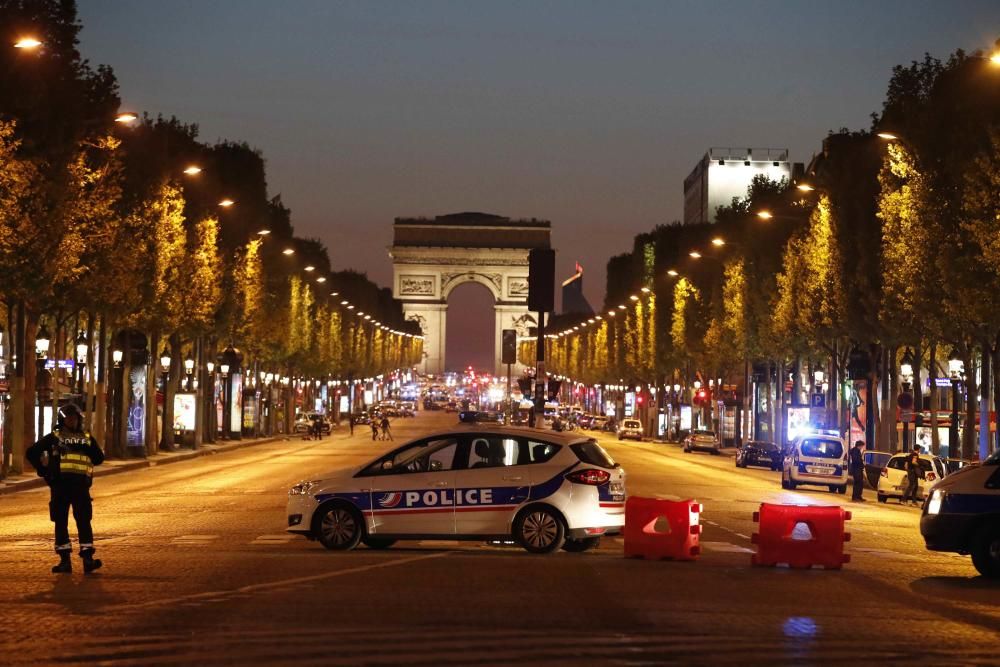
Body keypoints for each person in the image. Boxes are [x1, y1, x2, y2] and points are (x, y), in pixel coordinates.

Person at [25, 403, 106, 574]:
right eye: (69, 418)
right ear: (63, 420)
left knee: (84, 521)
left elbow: (99, 458)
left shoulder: (86, 438)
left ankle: (88, 559)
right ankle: (64, 561)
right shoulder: (54, 437)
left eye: (75, 418)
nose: (72, 421)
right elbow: (32, 452)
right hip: (60, 486)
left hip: (80, 487)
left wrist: (87, 448)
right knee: (61, 523)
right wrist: (43, 470)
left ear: (79, 419)